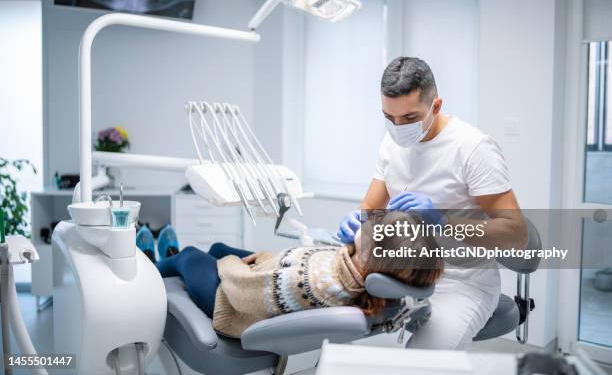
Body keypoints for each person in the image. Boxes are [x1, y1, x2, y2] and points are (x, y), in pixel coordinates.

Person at [336, 57, 527, 350]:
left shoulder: (473, 148)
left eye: (410, 118)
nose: (398, 127)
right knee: (330, 320)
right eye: (389, 118)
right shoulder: (391, 144)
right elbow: (370, 209)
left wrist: (442, 220)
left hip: (462, 282)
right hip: (401, 273)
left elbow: (515, 233)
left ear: (436, 106)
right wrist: (359, 221)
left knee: (418, 364)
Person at [155, 213, 443, 339]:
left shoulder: (313, 284)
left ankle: (153, 268)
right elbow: (299, 264)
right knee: (217, 247)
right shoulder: (360, 273)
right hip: (268, 279)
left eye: (377, 224)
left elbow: (244, 291)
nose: (372, 219)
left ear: (370, 257)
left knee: (191, 254)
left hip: (229, 301)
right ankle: (178, 256)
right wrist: (265, 259)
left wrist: (232, 264)